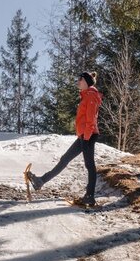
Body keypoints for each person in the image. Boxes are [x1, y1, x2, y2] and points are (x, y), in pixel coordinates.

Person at [27, 71, 103, 207]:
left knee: (89, 165)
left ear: (86, 81)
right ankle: (40, 181)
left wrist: (86, 137)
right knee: (65, 159)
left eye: (80, 79)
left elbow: (91, 119)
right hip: (84, 135)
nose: (78, 81)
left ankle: (90, 197)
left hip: (88, 135)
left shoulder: (91, 95)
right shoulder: (86, 95)